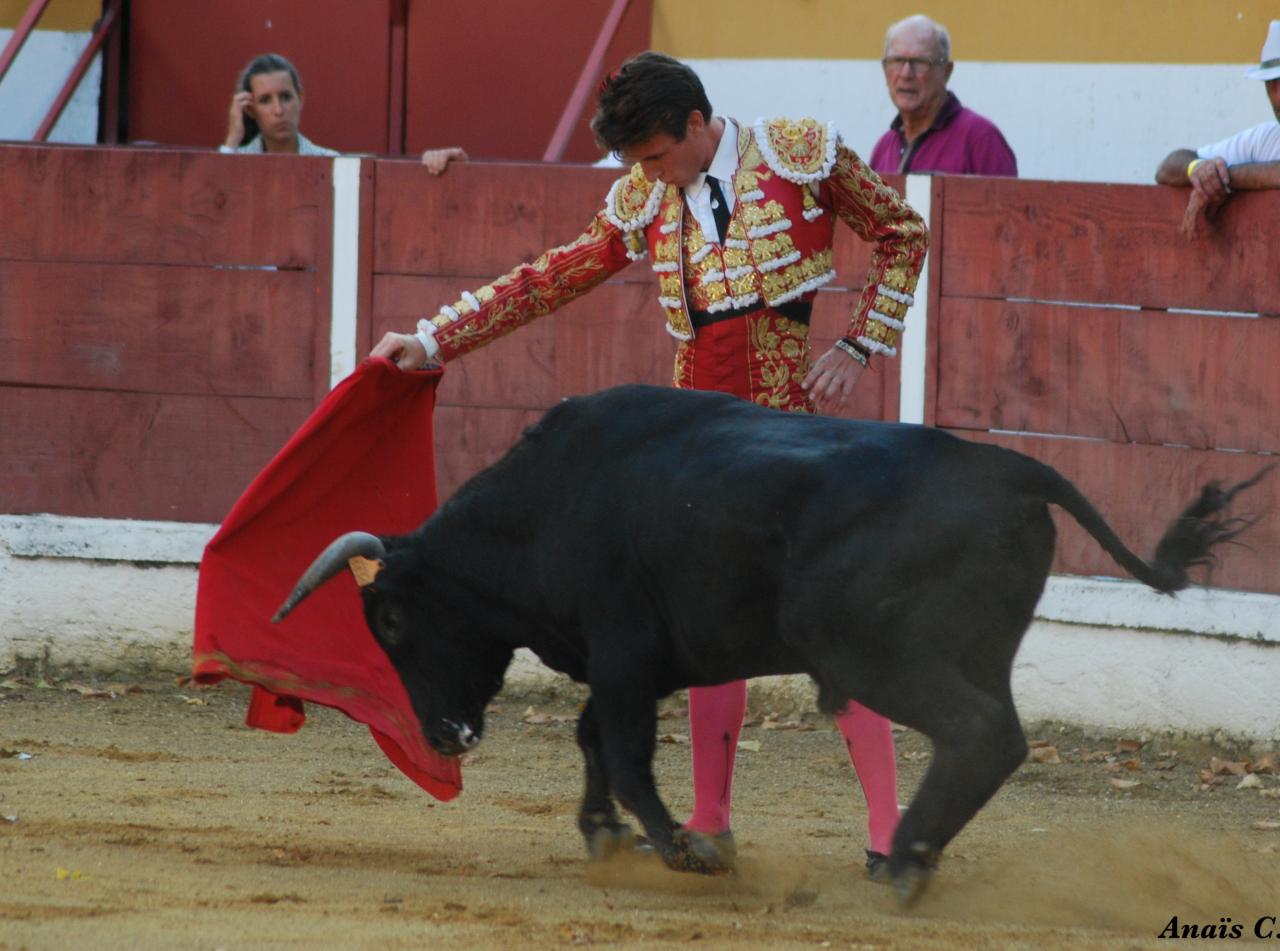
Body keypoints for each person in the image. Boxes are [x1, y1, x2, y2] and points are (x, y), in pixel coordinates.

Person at [371, 51, 928, 877]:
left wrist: (858, 343)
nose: (650, 175)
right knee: (702, 622)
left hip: (788, 436)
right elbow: (551, 279)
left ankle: (891, 832)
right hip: (692, 448)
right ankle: (709, 819)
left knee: (833, 619)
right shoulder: (645, 191)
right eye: (639, 163)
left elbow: (903, 232)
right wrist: (433, 339)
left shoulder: (798, 155)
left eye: (659, 156)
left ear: (698, 125)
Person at [1155, 20, 1280, 239]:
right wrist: (1198, 169)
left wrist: (1220, 178)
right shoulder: (1266, 138)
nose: (1277, 98)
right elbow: (1168, 167)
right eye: (1271, 85)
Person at [868, 14, 1017, 177]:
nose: (905, 74)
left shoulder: (980, 139)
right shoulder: (883, 148)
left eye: (920, 62)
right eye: (896, 61)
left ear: (946, 71)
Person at [220, 53, 337, 156]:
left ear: (300, 99)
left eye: (286, 97)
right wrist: (232, 140)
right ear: (250, 110)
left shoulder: (330, 162)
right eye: (265, 100)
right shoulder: (238, 160)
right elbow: (217, 175)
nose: (278, 110)